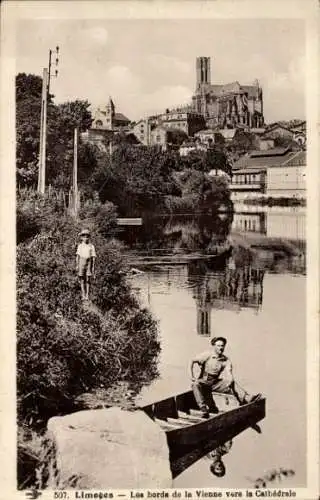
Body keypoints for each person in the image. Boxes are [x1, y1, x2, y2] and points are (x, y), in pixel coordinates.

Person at [190, 337, 261, 418]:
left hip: (215, 383)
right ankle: (203, 409)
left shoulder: (225, 360)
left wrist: (230, 380)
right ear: (214, 346)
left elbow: (229, 372)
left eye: (222, 346)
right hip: (204, 381)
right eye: (218, 345)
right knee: (195, 384)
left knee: (231, 382)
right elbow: (191, 361)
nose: (221, 348)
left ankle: (247, 398)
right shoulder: (207, 355)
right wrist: (191, 376)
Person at [76, 229, 96, 301]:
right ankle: (83, 294)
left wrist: (93, 267)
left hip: (89, 262)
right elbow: (77, 256)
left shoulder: (91, 246)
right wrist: (77, 265)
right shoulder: (80, 246)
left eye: (87, 236)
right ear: (81, 237)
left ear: (89, 237)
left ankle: (87, 295)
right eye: (84, 236)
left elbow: (93, 257)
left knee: (88, 279)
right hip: (82, 262)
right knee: (82, 279)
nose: (85, 238)